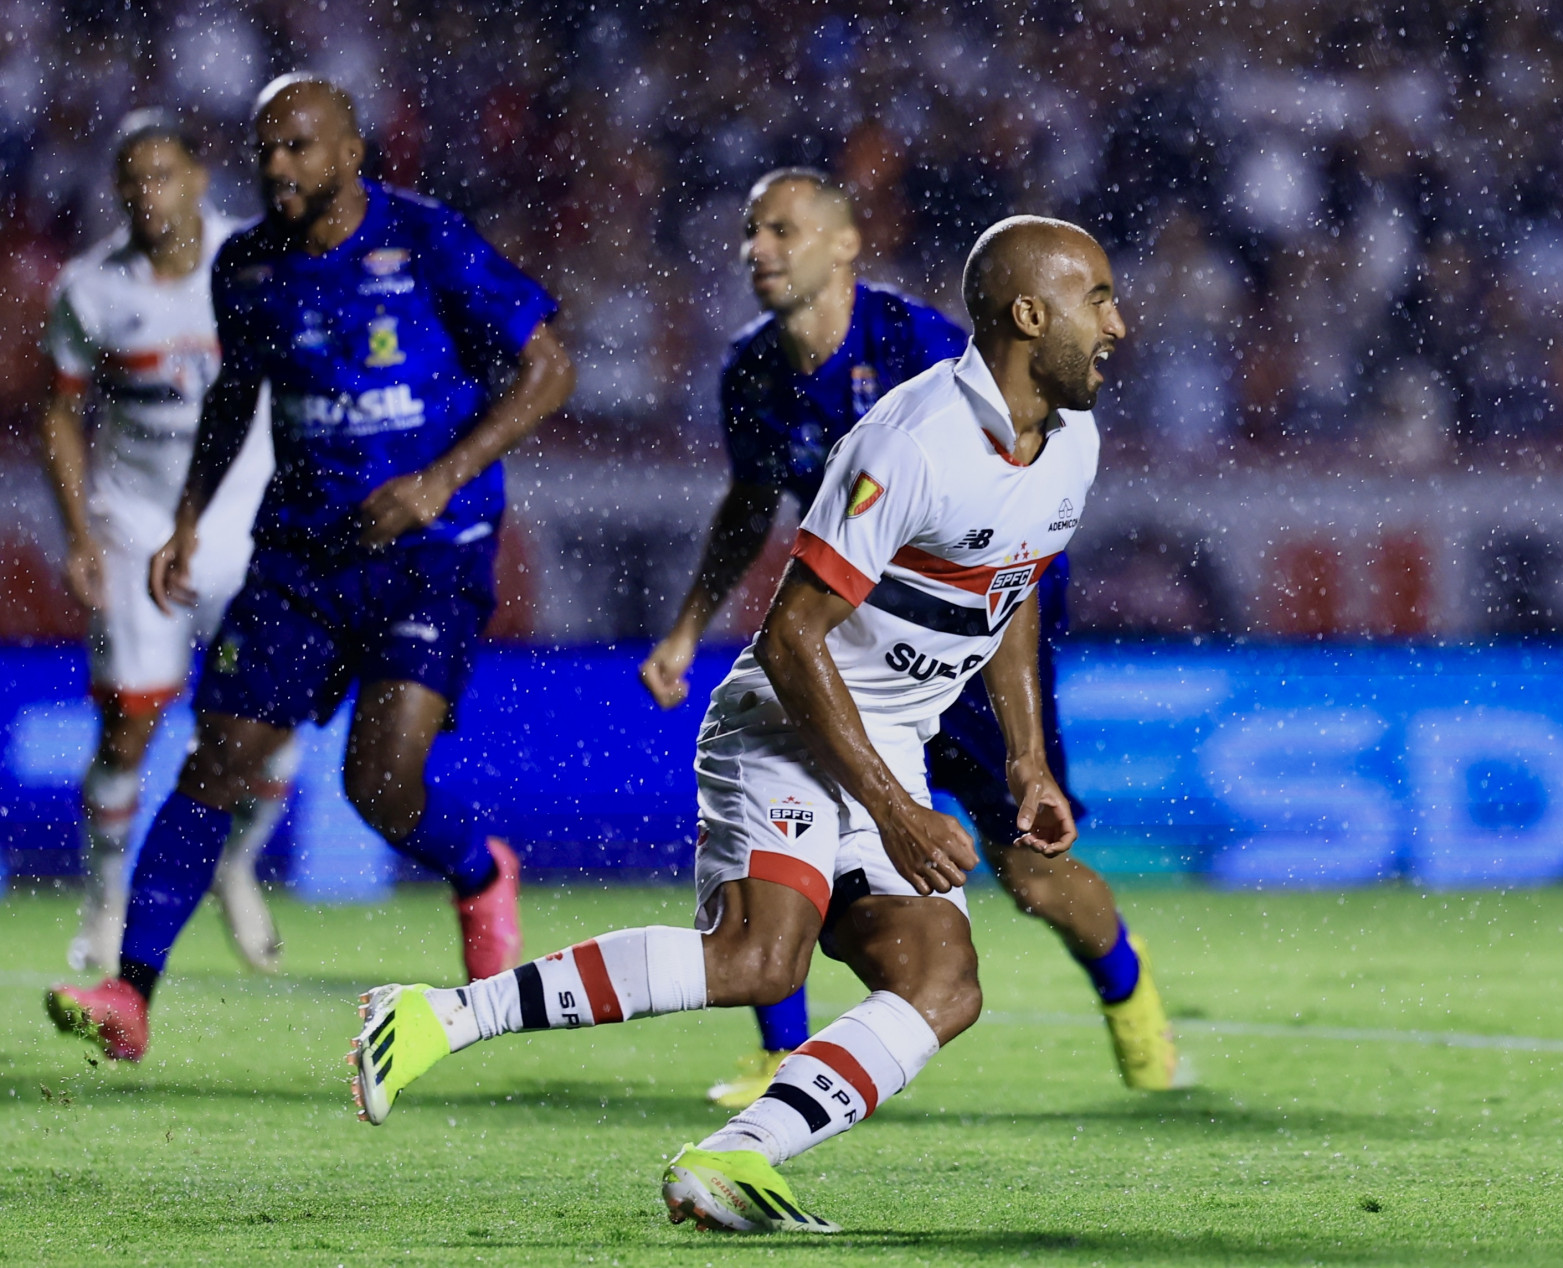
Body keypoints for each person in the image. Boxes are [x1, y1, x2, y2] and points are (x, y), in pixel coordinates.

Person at [349, 216, 1124, 1234]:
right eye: (1099, 298)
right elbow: (794, 637)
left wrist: (1025, 761)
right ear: (1031, 314)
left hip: (885, 737)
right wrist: (895, 810)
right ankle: (432, 1015)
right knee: (760, 961)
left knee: (942, 982)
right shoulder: (912, 441)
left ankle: (734, 1158)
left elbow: (1012, 585)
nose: (1118, 322)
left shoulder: (1070, 441)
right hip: (791, 720)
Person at [45, 75, 574, 1064]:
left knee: (382, 784)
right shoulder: (246, 266)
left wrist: (438, 479)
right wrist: (191, 517)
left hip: (430, 553)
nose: (278, 167)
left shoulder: (425, 239)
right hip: (299, 558)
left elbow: (550, 369)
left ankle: (476, 870)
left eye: (297, 148)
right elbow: (235, 395)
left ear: (350, 153)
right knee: (216, 761)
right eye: (266, 150)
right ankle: (129, 992)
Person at [640, 168, 1182, 1104]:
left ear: (844, 245)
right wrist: (688, 628)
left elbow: (1017, 543)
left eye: (783, 230)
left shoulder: (922, 353)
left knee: (1034, 877)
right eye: (750, 231)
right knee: (791, 830)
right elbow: (748, 507)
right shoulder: (751, 372)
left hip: (967, 641)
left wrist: (1022, 753)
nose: (756, 249)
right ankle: (782, 1052)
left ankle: (1133, 1007)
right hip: (847, 653)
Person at [39, 111, 298, 977]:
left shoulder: (257, 261)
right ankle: (107, 898)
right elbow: (61, 417)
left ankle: (234, 865)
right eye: (133, 179)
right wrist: (78, 533)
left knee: (269, 729)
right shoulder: (91, 290)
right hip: (136, 522)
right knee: (129, 728)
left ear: (198, 178)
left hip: (248, 518)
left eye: (163, 175)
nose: (148, 194)